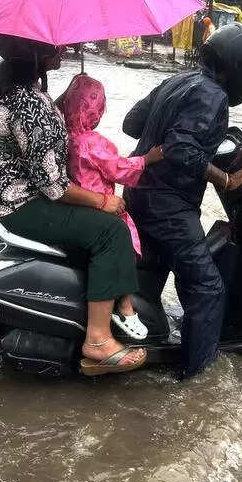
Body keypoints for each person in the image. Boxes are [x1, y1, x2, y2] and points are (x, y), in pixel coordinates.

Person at [0, 33, 146, 375]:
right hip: (22, 201)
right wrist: (103, 200)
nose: (62, 49)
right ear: (35, 54)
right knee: (111, 231)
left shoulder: (9, 91)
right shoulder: (33, 104)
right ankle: (97, 339)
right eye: (53, 46)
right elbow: (54, 186)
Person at [122, 23, 242, 379]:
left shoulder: (177, 81)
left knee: (152, 275)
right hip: (167, 206)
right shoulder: (212, 95)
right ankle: (195, 380)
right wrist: (228, 179)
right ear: (236, 67)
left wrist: (180, 133)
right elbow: (181, 148)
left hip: (138, 192)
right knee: (207, 288)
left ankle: (150, 343)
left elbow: (132, 124)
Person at [59, 73, 165, 340]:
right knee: (126, 241)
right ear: (95, 109)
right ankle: (125, 305)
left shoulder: (65, 136)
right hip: (100, 206)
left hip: (77, 207)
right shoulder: (92, 142)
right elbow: (118, 169)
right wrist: (147, 159)